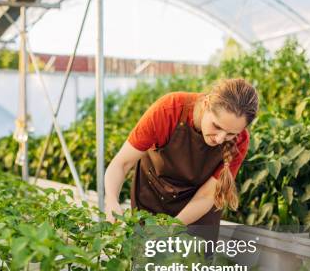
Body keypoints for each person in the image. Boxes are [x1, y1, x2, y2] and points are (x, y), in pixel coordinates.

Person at [104, 78, 259, 242]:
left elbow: (206, 196)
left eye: (230, 134)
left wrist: (170, 229)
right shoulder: (168, 110)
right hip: (152, 200)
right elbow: (121, 164)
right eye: (217, 126)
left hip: (197, 211)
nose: (220, 139)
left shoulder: (240, 140)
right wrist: (112, 200)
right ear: (206, 104)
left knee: (192, 262)